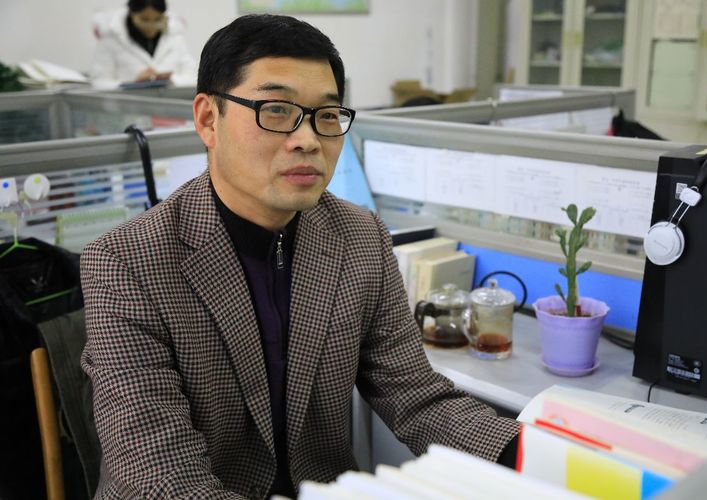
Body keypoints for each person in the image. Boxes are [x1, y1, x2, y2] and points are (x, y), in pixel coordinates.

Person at [81, 14, 520, 498]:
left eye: (327, 116)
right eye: (276, 110)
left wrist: (531, 456)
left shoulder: (360, 237)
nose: (309, 139)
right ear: (208, 119)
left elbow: (415, 395)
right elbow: (157, 471)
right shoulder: (125, 262)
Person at [89, 0, 196, 89]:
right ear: (131, 13)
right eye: (144, 20)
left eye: (157, 20)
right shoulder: (111, 39)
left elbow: (194, 77)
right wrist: (133, 84)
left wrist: (170, 79)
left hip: (169, 105)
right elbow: (98, 83)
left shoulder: (175, 37)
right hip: (127, 106)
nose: (151, 26)